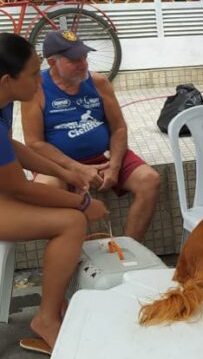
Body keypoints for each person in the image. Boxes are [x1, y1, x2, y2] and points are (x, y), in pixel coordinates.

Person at [0, 33, 109, 350]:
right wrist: (83, 202)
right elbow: (20, 190)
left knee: (65, 214)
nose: (40, 79)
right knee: (72, 222)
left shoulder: (4, 102)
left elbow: (13, 148)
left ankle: (56, 301)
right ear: (7, 80)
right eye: (34, 73)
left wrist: (66, 170)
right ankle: (46, 318)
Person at [21, 30, 160, 242]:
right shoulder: (36, 89)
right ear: (52, 62)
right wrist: (75, 169)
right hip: (59, 164)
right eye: (74, 60)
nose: (83, 64)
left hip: (102, 157)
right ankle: (76, 259)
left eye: (84, 57)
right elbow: (34, 143)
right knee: (45, 191)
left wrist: (114, 165)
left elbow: (119, 128)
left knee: (150, 180)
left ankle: (132, 249)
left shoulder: (98, 83)